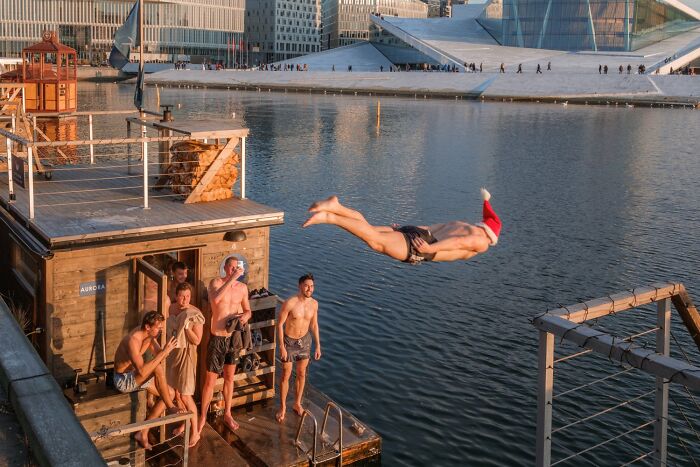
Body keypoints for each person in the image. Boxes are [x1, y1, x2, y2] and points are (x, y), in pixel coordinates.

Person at [302, 189, 502, 264]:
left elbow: (432, 227)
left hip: (419, 232)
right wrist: (430, 248)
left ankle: (337, 207)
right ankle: (330, 217)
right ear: (492, 235)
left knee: (369, 228)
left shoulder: (461, 224)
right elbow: (457, 242)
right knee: (375, 241)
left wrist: (402, 229)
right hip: (424, 246)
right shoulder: (482, 241)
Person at [198, 257, 252, 434]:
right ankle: (202, 417)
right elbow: (215, 300)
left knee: (229, 377)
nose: (234, 270)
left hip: (233, 337)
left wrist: (245, 317)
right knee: (210, 381)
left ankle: (228, 413)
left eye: (237, 268)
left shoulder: (243, 288)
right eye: (231, 268)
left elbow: (248, 310)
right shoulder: (216, 282)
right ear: (225, 268)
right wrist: (231, 279)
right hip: (218, 337)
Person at [113, 311, 179, 450]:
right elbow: (143, 371)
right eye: (158, 327)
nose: (161, 330)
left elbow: (159, 353)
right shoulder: (133, 340)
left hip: (136, 376)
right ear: (148, 327)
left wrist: (166, 350)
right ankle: (171, 407)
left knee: (171, 393)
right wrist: (163, 353)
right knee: (158, 369)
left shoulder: (150, 335)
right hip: (123, 380)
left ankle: (143, 432)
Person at [276, 273, 321, 423]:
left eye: (312, 286)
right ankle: (282, 407)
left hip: (305, 342)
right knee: (285, 375)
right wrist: (281, 346)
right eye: (307, 286)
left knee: (301, 374)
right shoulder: (290, 303)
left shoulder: (314, 304)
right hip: (289, 342)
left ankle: (297, 403)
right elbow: (280, 324)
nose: (310, 289)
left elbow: (314, 325)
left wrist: (318, 345)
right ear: (300, 286)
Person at [166, 283, 205, 447]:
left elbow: (197, 341)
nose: (184, 300)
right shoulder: (170, 308)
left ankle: (196, 432)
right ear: (176, 295)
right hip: (172, 353)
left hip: (187, 355)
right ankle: (185, 423)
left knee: (186, 395)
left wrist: (187, 327)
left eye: (188, 296)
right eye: (182, 296)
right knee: (176, 393)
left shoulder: (194, 314)